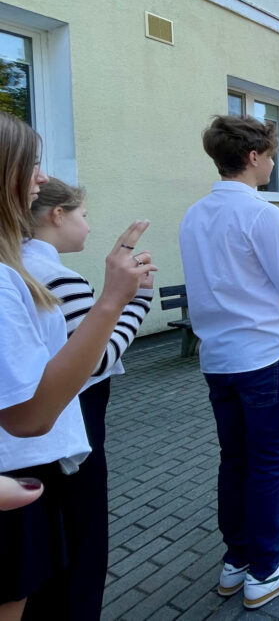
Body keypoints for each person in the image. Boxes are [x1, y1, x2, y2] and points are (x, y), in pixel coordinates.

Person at [0, 113, 154, 621]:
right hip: (42, 456)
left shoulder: (18, 266)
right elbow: (86, 369)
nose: (40, 177)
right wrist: (124, 301)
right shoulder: (29, 275)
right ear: (59, 215)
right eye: (32, 164)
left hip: (30, 461)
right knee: (75, 571)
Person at [180, 114, 279, 609]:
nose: (272, 162)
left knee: (236, 460)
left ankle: (238, 559)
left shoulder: (194, 215)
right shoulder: (260, 213)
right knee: (269, 462)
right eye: (269, 154)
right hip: (266, 357)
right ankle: (267, 567)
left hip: (219, 360)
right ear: (252, 156)